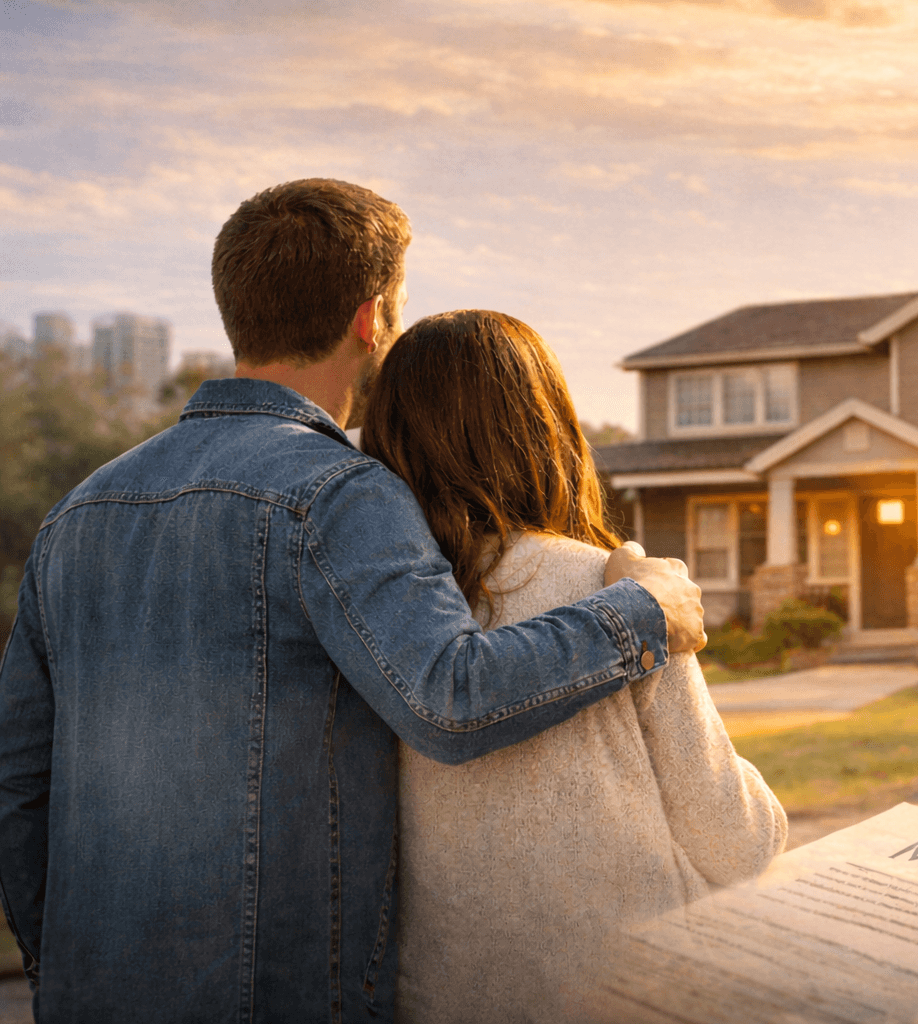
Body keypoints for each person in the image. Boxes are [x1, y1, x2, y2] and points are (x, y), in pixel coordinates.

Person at [0, 179, 704, 1023]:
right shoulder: (339, 494)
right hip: (280, 994)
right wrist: (643, 613)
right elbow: (448, 696)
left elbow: (17, 782)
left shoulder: (77, 512)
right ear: (373, 319)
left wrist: (53, 970)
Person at [360, 309, 787, 1023]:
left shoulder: (377, 607)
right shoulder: (622, 589)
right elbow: (738, 843)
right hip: (629, 992)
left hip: (441, 997)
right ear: (545, 428)